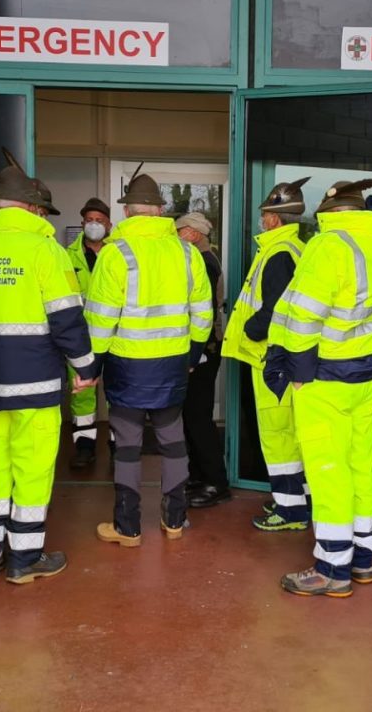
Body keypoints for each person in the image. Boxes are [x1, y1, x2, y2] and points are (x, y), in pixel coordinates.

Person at [0, 151, 99, 584]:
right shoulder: (46, 252)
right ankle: (25, 559)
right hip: (36, 386)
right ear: (32, 207)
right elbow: (67, 318)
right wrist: (85, 366)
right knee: (31, 469)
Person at [265, 180, 372, 598]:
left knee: (327, 471)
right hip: (369, 377)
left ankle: (333, 568)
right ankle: (363, 558)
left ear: (331, 214)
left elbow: (302, 315)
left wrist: (295, 366)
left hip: (325, 379)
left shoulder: (328, 247)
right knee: (359, 467)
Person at [85, 170, 212, 546]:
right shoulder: (188, 253)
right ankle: (174, 520)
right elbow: (203, 314)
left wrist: (93, 365)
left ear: (127, 214)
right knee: (173, 440)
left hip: (127, 365)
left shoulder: (115, 254)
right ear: (160, 212)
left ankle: (128, 528)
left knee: (127, 446)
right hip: (173, 363)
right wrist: (191, 355)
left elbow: (100, 320)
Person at [221, 178, 311, 530]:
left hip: (270, 360)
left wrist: (249, 329)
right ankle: (299, 503)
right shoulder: (292, 250)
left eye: (264, 214)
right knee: (289, 434)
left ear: (275, 218)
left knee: (279, 437)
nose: (261, 219)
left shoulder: (279, 254)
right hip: (281, 359)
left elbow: (274, 309)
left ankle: (291, 511)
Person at [175, 212, 230, 507]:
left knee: (198, 418)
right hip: (201, 350)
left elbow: (203, 312)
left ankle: (215, 483)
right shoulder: (203, 259)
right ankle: (198, 476)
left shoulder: (204, 263)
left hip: (204, 351)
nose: (175, 236)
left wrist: (195, 354)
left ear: (194, 234)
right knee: (190, 417)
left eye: (179, 231)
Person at [65, 197, 114, 467]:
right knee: (81, 394)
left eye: (100, 220)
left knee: (117, 393)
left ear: (109, 224)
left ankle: (119, 446)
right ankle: (85, 449)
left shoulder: (117, 252)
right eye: (90, 220)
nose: (94, 224)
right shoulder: (66, 255)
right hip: (80, 338)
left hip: (115, 336)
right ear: (82, 223)